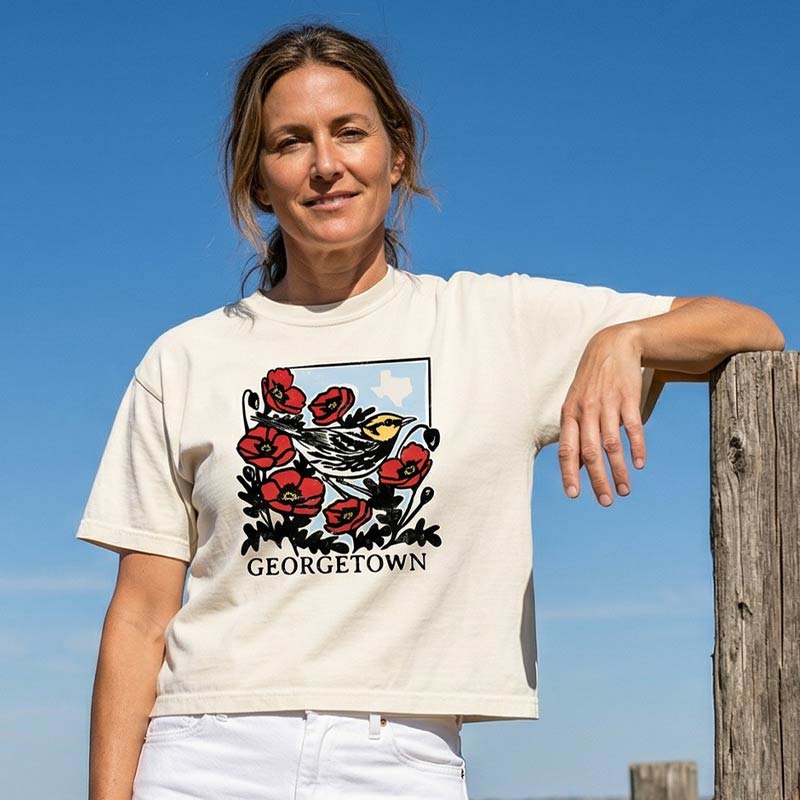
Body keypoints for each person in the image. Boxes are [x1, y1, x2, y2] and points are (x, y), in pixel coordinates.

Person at [75, 21, 785, 800]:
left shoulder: (495, 322)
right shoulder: (183, 360)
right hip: (203, 749)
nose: (325, 165)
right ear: (257, 181)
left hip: (401, 758)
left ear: (397, 154)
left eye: (350, 132)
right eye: (290, 142)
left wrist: (629, 337)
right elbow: (140, 619)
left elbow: (753, 327)